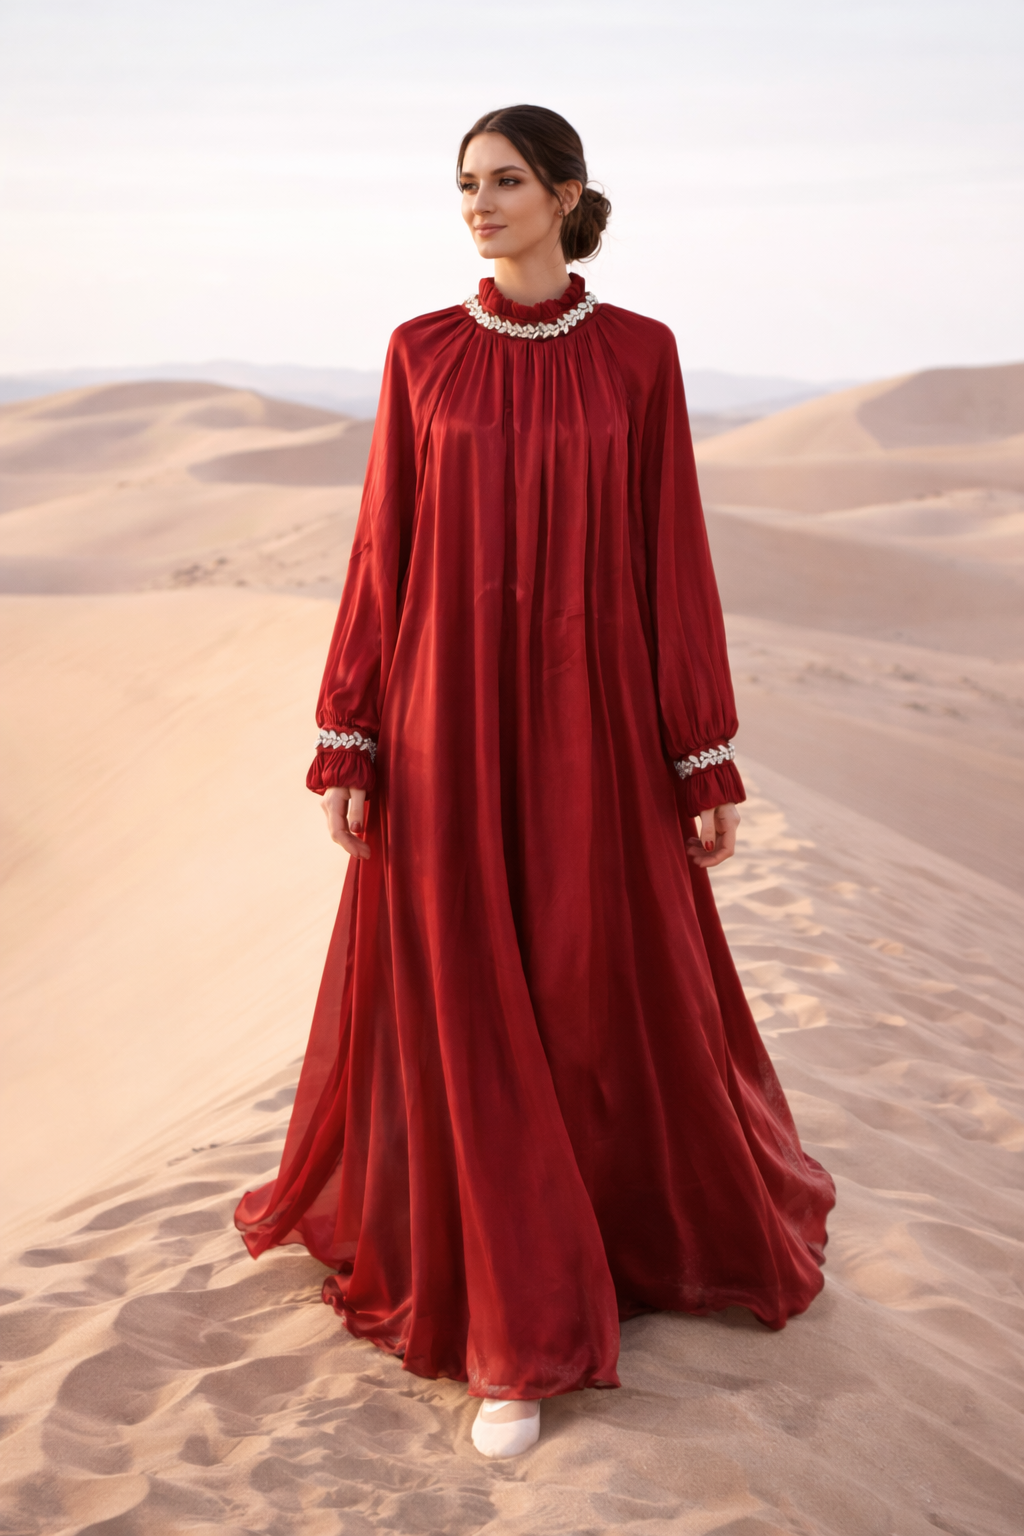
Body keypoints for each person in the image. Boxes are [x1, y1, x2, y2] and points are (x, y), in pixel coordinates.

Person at [235, 104, 835, 1460]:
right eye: (464, 184)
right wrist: (352, 734)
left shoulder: (640, 358)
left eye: (505, 182)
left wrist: (701, 751)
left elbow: (670, 554)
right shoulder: (419, 354)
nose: (479, 205)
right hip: (447, 721)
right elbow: (383, 548)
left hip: (597, 722)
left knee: (583, 983)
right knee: (471, 1001)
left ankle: (614, 1243)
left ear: (568, 196)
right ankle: (517, 1322)